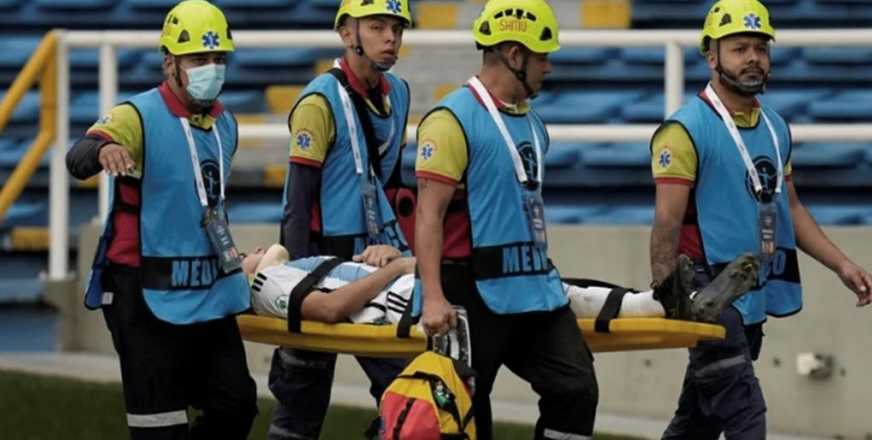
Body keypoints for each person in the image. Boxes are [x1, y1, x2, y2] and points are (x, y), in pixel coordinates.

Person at [647, 0, 872, 438]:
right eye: (739, 48)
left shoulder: (774, 127)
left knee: (697, 422)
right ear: (711, 55)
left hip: (750, 293)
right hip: (707, 294)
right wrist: (670, 294)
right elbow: (666, 224)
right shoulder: (683, 130)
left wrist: (841, 265)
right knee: (745, 415)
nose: (754, 57)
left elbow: (789, 207)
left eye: (761, 47)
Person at [64, 1, 256, 438]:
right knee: (160, 427)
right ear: (170, 62)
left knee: (236, 407)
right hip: (141, 289)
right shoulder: (137, 115)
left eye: (218, 59)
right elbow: (77, 157)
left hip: (207, 288)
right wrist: (102, 150)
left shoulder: (226, 124)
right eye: (199, 59)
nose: (211, 68)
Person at [413, 1, 603, 438]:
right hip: (468, 289)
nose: (549, 67)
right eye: (542, 56)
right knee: (466, 416)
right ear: (515, 56)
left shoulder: (534, 124)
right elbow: (428, 214)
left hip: (535, 287)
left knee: (576, 388)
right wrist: (434, 298)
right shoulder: (450, 120)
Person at [268, 0, 414, 438]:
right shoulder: (317, 101)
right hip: (320, 265)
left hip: (377, 263)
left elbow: (390, 185)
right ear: (348, 34)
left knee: (409, 386)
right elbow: (298, 200)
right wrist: (294, 281)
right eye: (376, 26)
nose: (390, 37)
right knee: (300, 402)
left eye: (396, 27)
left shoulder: (400, 93)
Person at [242, 244, 760, 326]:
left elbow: (348, 282)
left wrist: (381, 254)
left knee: (547, 283)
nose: (246, 253)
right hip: (412, 299)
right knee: (541, 288)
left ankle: (662, 304)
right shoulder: (265, 282)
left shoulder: (303, 260)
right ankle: (663, 305)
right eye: (240, 257)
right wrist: (398, 269)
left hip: (411, 281)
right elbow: (329, 311)